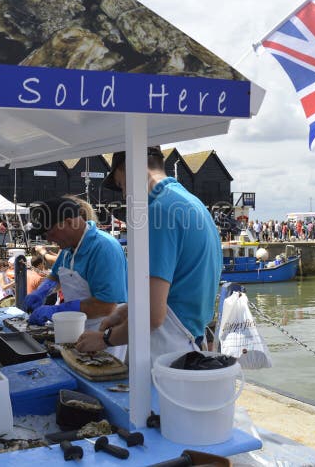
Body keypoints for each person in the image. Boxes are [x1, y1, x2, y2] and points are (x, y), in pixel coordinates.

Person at [75, 147, 222, 362]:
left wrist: (105, 339)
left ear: (131, 170)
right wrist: (124, 312)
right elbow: (180, 286)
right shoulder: (191, 203)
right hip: (189, 339)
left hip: (166, 349)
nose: (124, 194)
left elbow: (153, 316)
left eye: (121, 184)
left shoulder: (157, 211)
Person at [23, 197, 127, 333]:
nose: (48, 239)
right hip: (76, 326)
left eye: (49, 232)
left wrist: (57, 310)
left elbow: (106, 305)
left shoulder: (104, 248)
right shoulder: (68, 248)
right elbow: (56, 276)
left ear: (69, 222)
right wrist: (41, 292)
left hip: (105, 329)